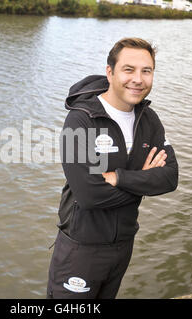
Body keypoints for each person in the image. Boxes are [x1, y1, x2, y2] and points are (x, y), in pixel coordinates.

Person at [46, 38, 179, 299]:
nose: (138, 79)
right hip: (81, 247)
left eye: (146, 71)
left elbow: (170, 177)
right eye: (128, 70)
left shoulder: (148, 119)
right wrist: (144, 179)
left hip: (123, 245)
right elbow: (89, 194)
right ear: (110, 72)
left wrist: (119, 178)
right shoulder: (81, 118)